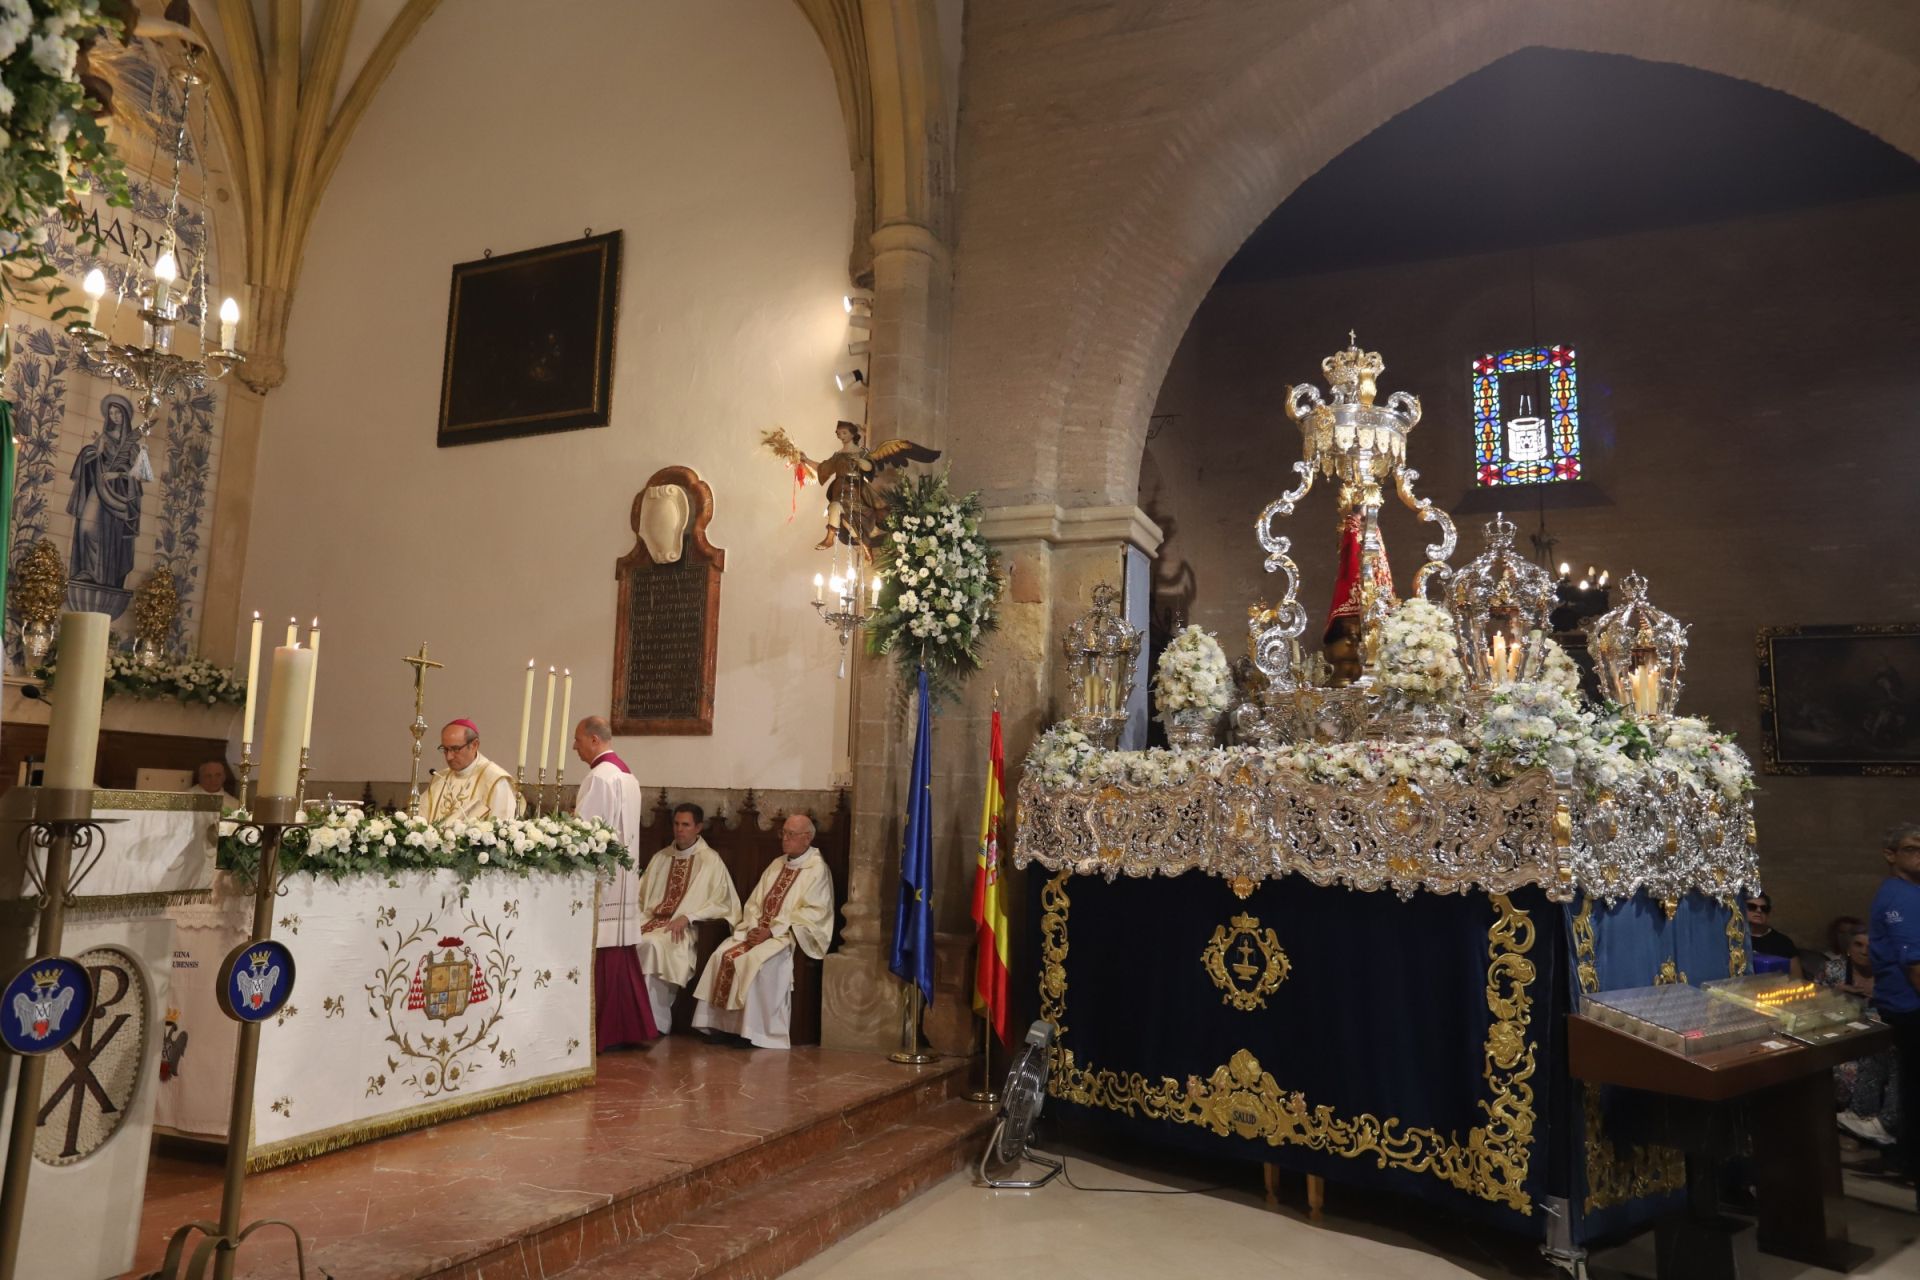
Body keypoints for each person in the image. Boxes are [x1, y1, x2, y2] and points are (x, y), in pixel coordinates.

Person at [691, 813, 835, 1049]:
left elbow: (814, 912)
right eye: (784, 833)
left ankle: (753, 1032)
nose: (784, 839)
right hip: (758, 931)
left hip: (788, 937)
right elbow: (755, 902)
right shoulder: (777, 864)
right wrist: (755, 925)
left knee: (757, 962)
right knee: (722, 955)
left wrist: (772, 930)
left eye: (791, 834)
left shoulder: (817, 870)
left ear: (807, 838)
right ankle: (723, 1027)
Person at [571, 716, 656, 1051]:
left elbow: (585, 833)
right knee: (617, 952)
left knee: (603, 951)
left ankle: (603, 1031)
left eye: (577, 740)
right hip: (623, 877)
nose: (575, 746)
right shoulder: (627, 776)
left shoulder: (599, 778)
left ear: (594, 740)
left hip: (602, 881)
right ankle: (626, 1028)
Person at [633, 803, 741, 1032]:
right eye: (676, 824)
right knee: (626, 940)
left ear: (698, 827)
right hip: (651, 920)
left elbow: (721, 901)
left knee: (652, 945)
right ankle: (628, 1017)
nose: (679, 830)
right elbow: (640, 897)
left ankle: (653, 1022)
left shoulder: (710, 860)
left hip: (685, 928)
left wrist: (689, 916)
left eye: (686, 825)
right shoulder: (661, 857)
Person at [1869, 820, 1920, 1207]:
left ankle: (1908, 1158)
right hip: (1911, 1006)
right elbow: (1914, 963)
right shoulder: (1901, 896)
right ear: (1891, 855)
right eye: (1912, 849)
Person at [1828, 920, 1901, 1148]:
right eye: (1858, 944)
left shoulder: (1892, 974)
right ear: (1849, 947)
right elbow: (1815, 1007)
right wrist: (1836, 995)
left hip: (1881, 1033)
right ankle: (1868, 1120)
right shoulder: (1836, 971)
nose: (1865, 951)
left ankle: (1867, 1119)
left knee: (1892, 1051)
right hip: (1846, 1032)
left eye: (1872, 946)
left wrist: (1880, 996)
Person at [419, 719, 515, 822]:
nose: (449, 757)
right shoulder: (440, 779)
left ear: (474, 745)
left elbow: (501, 827)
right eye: (445, 749)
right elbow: (418, 819)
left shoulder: (495, 780)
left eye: (455, 749)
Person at [1745, 892, 1800, 974]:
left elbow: (1797, 978)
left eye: (1764, 908)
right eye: (1752, 907)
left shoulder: (1783, 942)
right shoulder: (1735, 939)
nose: (1759, 910)